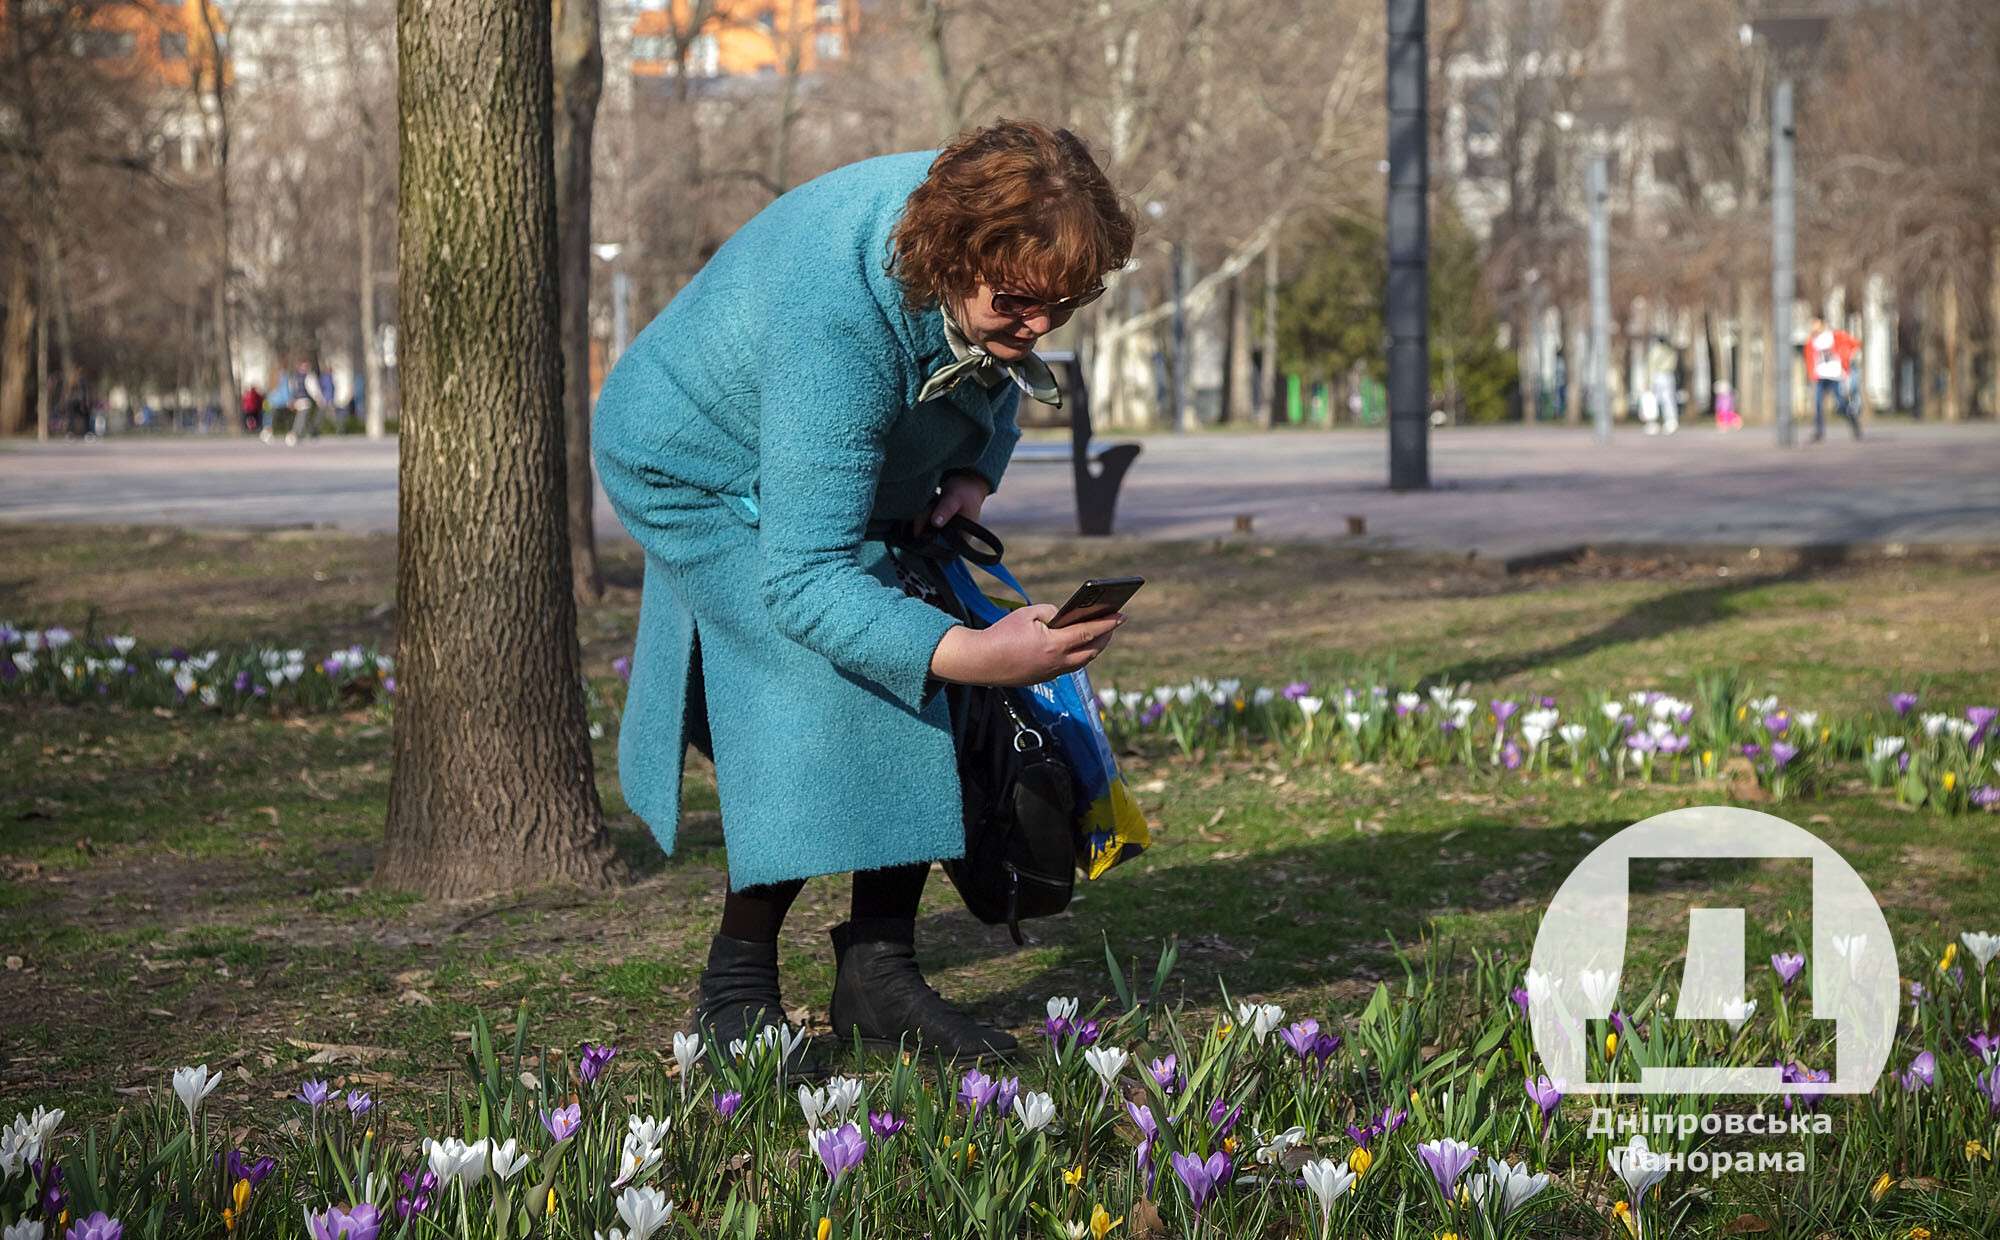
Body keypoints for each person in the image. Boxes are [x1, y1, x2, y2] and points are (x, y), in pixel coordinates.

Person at [593, 120, 1136, 1062]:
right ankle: (733, 998)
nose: (1040, 327)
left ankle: (877, 975)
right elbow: (805, 582)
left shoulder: (992, 254)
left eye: (1064, 306)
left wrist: (976, 468)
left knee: (902, 651)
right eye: (1020, 301)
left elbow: (989, 364)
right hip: (692, 464)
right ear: (948, 255)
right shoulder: (837, 313)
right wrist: (975, 656)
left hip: (835, 447)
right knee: (835, 687)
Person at [1804, 317, 1862, 441]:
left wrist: (1848, 358)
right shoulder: (1812, 341)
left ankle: (1853, 421)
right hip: (1821, 377)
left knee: (1841, 405)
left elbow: (1853, 344)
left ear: (1822, 324)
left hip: (1835, 376)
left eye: (1816, 324)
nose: (1813, 327)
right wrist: (1811, 375)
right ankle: (1819, 432)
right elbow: (1809, 358)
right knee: (1818, 405)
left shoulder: (1833, 336)